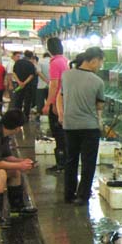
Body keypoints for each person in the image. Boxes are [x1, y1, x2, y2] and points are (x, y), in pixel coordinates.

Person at [57, 47, 105, 206]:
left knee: (71, 161)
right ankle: (82, 196)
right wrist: (100, 124)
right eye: (100, 62)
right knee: (88, 163)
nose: (100, 65)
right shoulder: (98, 81)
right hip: (89, 127)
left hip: (69, 125)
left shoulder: (66, 75)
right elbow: (99, 107)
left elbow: (61, 96)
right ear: (93, 61)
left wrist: (61, 115)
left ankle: (68, 195)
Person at [42, 37, 68, 174]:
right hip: (65, 100)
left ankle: (61, 164)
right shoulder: (64, 60)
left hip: (58, 102)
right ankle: (63, 163)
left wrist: (49, 104)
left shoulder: (55, 62)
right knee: (62, 134)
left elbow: (54, 85)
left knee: (58, 134)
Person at [11, 49, 37, 120]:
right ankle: (26, 117)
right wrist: (24, 83)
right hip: (28, 86)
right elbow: (31, 75)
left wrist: (19, 82)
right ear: (31, 57)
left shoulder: (18, 62)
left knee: (18, 100)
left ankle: (17, 116)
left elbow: (14, 73)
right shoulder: (31, 64)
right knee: (27, 102)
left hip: (19, 85)